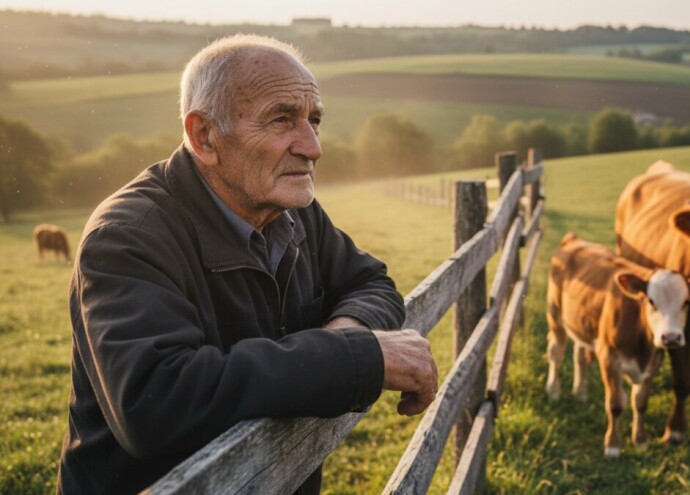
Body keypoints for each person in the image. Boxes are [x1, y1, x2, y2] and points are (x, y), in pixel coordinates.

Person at [56, 34, 438, 495]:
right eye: (282, 119)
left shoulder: (292, 208)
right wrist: (354, 358)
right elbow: (154, 402)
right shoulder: (129, 235)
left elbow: (370, 280)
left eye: (314, 120)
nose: (313, 146)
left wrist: (344, 335)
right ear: (205, 136)